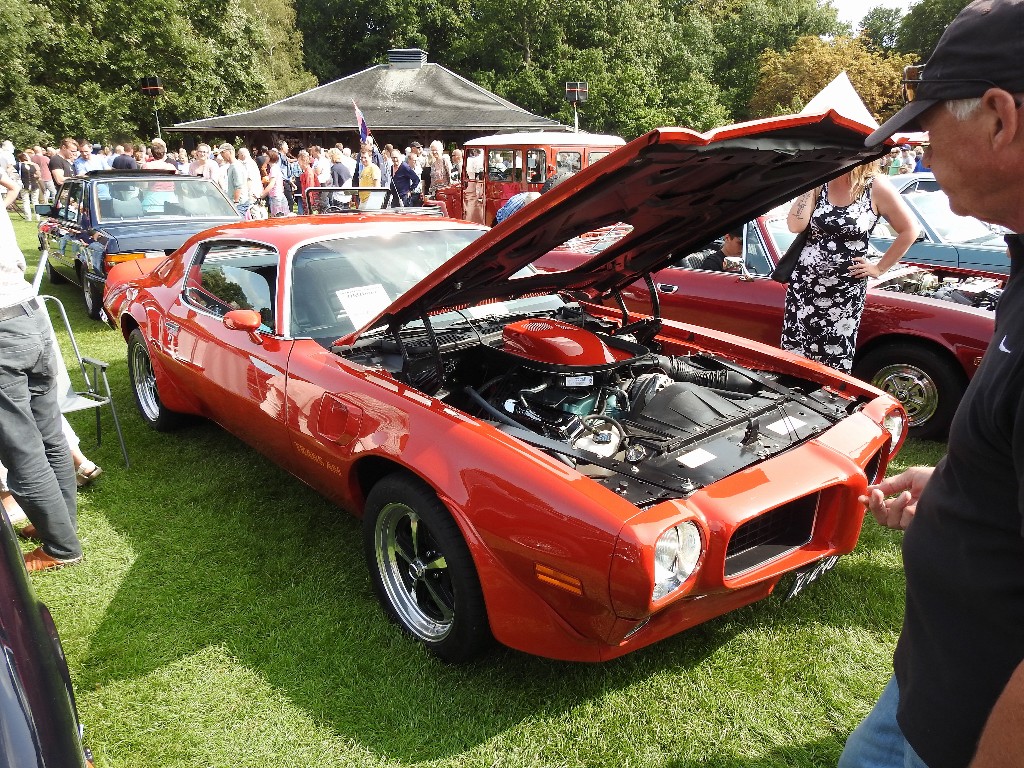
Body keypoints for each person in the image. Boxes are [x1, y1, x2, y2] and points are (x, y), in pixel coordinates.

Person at [840, 3, 1024, 767]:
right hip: (930, 680)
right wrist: (956, 483)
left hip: (976, 729)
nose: (917, 140)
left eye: (927, 119)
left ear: (998, 117)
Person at [0, 165, 82, 572]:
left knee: (22, 448)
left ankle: (61, 546)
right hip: (30, 314)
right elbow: (10, 186)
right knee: (48, 432)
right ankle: (59, 524)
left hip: (2, 327)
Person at [781, 162, 918, 373]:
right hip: (804, 288)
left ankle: (825, 404)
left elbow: (910, 230)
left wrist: (879, 268)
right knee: (797, 352)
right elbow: (795, 226)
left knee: (833, 357)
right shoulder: (822, 182)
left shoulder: (875, 186)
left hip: (843, 294)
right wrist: (812, 182)